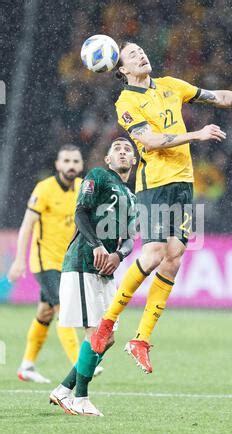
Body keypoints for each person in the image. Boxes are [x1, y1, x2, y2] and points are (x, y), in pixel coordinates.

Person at [91, 42, 232, 374]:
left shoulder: (172, 85)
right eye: (132, 55)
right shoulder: (125, 102)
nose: (141, 55)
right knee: (153, 254)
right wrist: (196, 134)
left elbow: (221, 97)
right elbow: (151, 141)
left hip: (184, 185)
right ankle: (107, 323)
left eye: (141, 50)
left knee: (174, 259)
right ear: (122, 69)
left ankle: (140, 340)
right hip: (154, 184)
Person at [49, 138, 136, 416]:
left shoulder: (131, 197)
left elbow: (131, 239)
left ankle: (64, 390)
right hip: (84, 262)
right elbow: (81, 213)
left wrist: (118, 256)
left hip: (105, 270)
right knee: (95, 332)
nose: (123, 152)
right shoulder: (98, 176)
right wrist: (98, 246)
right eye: (117, 149)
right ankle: (81, 398)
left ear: (133, 161)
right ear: (108, 159)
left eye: (128, 150)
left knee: (107, 336)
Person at [8, 145, 84, 383]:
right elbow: (26, 226)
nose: (71, 165)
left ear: (81, 165)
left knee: (45, 312)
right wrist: (19, 260)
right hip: (44, 261)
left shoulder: (83, 187)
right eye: (66, 161)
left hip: (67, 261)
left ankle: (27, 365)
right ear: (58, 165)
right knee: (64, 308)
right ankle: (80, 364)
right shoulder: (44, 189)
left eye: (75, 161)